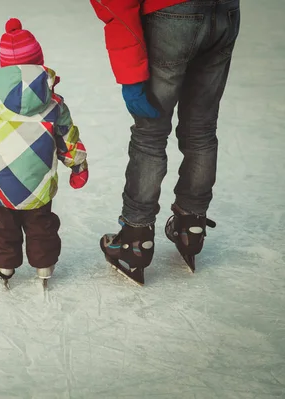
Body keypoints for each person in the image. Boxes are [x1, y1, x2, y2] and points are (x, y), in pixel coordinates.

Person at [89, 0, 241, 285]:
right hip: (225, 11)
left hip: (172, 14)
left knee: (150, 135)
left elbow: (116, 5)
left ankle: (135, 240)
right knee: (201, 129)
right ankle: (190, 227)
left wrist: (131, 74)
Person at [0, 18, 89, 289]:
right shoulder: (54, 106)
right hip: (38, 186)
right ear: (39, 64)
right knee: (41, 227)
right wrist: (77, 166)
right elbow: (68, 138)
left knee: (1, 228)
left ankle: (5, 266)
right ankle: (43, 265)